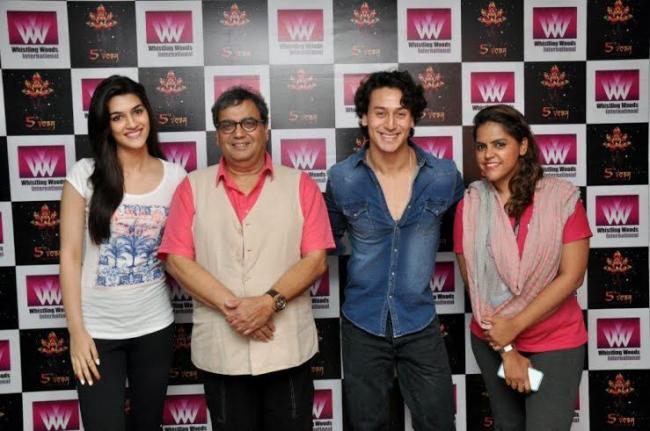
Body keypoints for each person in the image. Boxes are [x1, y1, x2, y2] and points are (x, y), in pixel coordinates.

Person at [158, 86, 334, 431]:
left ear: (265, 129)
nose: (239, 133)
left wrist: (268, 303)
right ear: (217, 134)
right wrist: (237, 311)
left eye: (249, 123)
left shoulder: (301, 185)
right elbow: (177, 260)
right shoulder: (192, 187)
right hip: (222, 352)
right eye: (228, 125)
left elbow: (315, 261)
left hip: (286, 349)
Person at [325, 70, 464, 430]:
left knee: (439, 423)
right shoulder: (342, 178)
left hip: (419, 321)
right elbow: (322, 243)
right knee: (366, 425)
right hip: (362, 324)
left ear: (413, 119)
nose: (390, 124)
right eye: (380, 113)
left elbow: (469, 237)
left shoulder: (444, 176)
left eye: (400, 113)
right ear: (363, 117)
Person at [60, 75, 186, 430]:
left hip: (154, 327)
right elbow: (70, 256)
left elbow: (183, 252)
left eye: (137, 111)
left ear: (148, 114)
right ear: (106, 125)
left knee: (148, 424)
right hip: (96, 332)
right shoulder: (85, 175)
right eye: (118, 117)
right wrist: (76, 332)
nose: (132, 123)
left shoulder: (175, 177)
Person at [454, 105, 591, 431]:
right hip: (493, 342)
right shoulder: (470, 205)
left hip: (555, 340)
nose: (488, 155)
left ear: (523, 146)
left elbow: (572, 276)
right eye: (481, 146)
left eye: (499, 144)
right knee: (509, 425)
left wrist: (514, 326)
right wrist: (508, 350)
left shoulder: (561, 199)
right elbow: (476, 288)